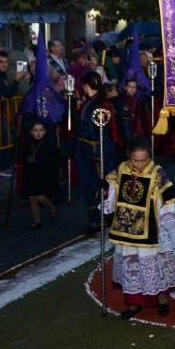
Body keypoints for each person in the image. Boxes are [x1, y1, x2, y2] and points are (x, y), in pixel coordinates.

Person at [103, 136, 175, 319]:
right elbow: (113, 196)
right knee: (132, 268)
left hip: (152, 231)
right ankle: (133, 302)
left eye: (143, 160)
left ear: (150, 157)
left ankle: (161, 298)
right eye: (135, 160)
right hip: (127, 231)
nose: (139, 164)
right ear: (129, 156)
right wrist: (106, 192)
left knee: (155, 266)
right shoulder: (121, 170)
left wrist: (169, 230)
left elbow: (168, 205)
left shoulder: (157, 174)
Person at [77, 71, 121, 233]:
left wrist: (99, 154)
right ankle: (95, 218)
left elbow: (105, 132)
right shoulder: (89, 103)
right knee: (89, 185)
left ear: (86, 85)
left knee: (102, 184)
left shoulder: (101, 106)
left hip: (98, 150)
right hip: (85, 149)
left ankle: (105, 216)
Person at [21, 121, 59, 230]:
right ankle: (37, 221)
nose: (38, 133)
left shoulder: (49, 145)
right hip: (31, 173)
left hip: (43, 174)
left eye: (41, 130)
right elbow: (22, 156)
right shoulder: (28, 144)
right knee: (32, 197)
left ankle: (51, 208)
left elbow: (55, 159)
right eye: (35, 130)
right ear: (31, 132)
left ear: (45, 132)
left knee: (40, 196)